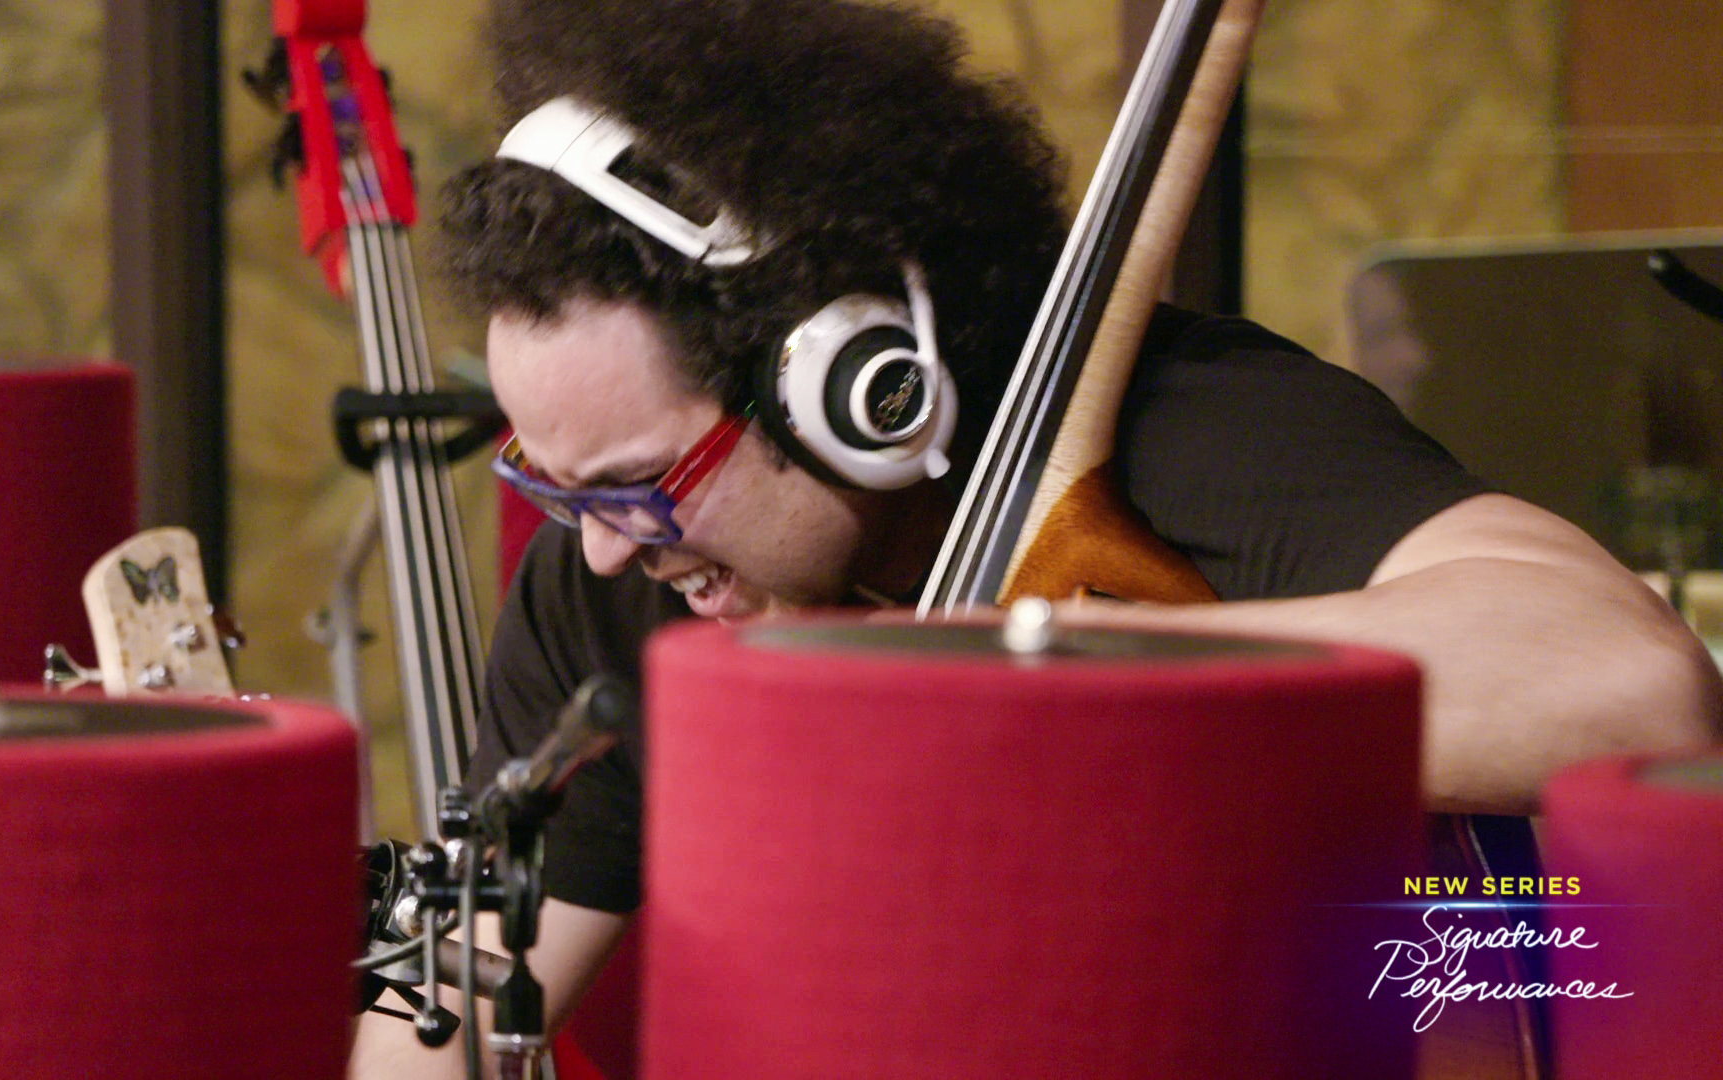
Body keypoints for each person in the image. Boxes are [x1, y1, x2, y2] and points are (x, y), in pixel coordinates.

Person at [351, 0, 1721, 1073]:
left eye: (645, 482)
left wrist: (1037, 674)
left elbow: (1633, 689)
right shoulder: (613, 581)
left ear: (854, 386)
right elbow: (441, 1011)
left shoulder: (1181, 431)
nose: (604, 546)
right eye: (558, 487)